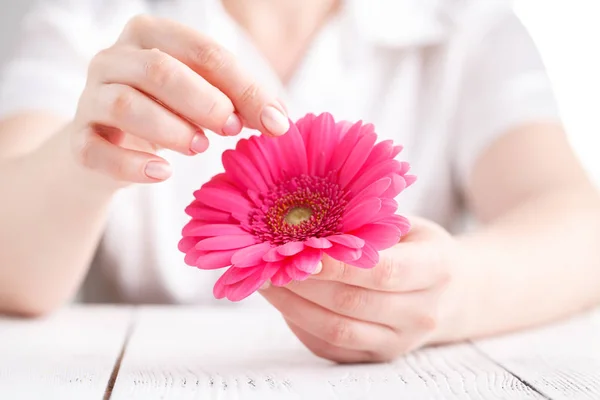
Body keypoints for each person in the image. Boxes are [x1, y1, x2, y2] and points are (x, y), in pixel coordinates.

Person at [0, 0, 599, 363]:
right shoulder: (86, 21)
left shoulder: (464, 23)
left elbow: (582, 228)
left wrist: (453, 291)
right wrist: (85, 158)